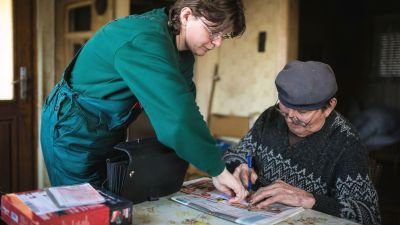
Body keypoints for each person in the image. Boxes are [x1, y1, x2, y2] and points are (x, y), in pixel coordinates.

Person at [41, 0, 247, 202]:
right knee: (85, 206)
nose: (218, 42)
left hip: (108, 127)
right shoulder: (146, 41)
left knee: (112, 200)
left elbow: (186, 109)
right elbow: (176, 120)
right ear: (186, 16)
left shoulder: (182, 53)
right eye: (213, 31)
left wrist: (217, 162)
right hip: (74, 128)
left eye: (224, 35)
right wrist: (217, 169)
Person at [223, 61, 381, 224]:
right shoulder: (270, 117)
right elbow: (234, 153)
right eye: (284, 109)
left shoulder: (346, 142)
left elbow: (369, 215)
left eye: (302, 111)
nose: (291, 117)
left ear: (329, 107)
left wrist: (311, 200)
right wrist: (239, 165)